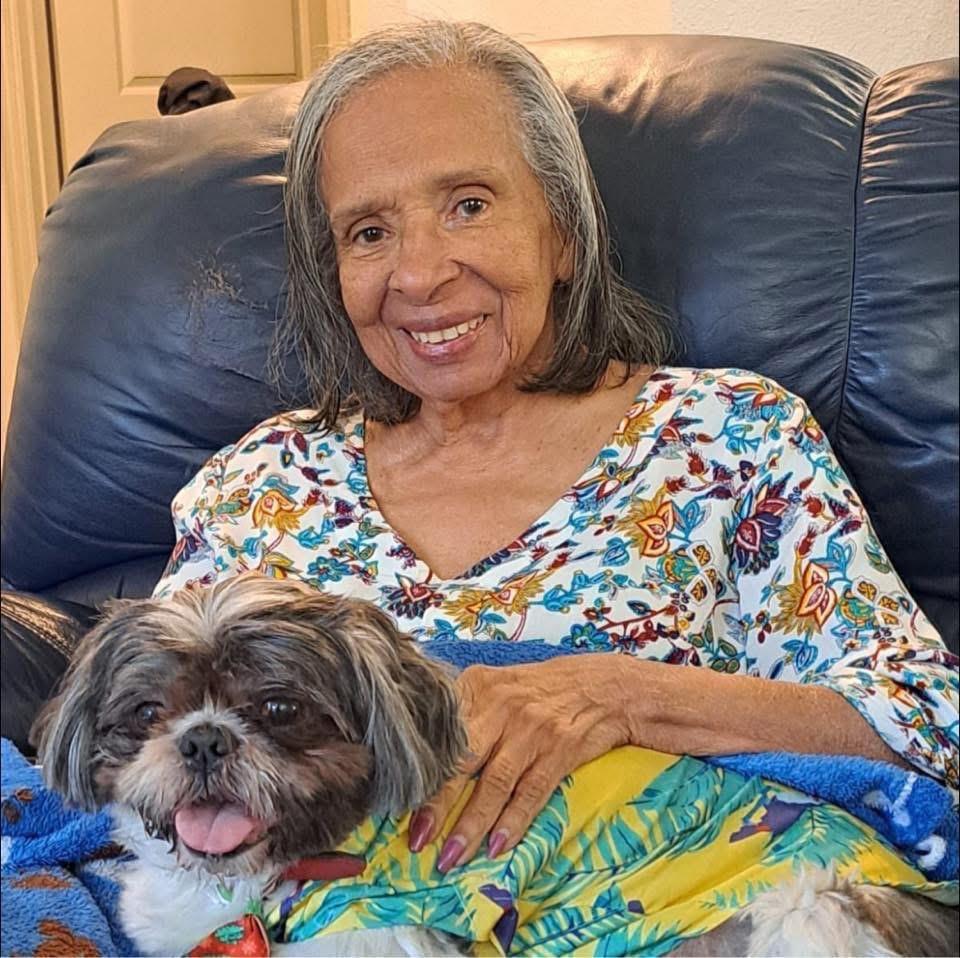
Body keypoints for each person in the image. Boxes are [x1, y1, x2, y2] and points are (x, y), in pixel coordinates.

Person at [154, 19, 957, 952]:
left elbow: (925, 721)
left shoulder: (727, 438)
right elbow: (143, 761)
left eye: (468, 205)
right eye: (369, 231)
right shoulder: (262, 481)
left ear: (564, 236)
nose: (419, 273)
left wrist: (622, 697)